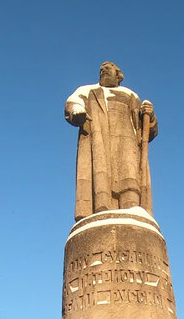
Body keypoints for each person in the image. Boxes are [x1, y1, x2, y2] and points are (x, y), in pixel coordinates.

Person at [64, 61, 158, 220]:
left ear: (118, 75)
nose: (103, 71)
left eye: (108, 69)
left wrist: (151, 117)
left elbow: (145, 132)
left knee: (129, 178)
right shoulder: (88, 91)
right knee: (100, 176)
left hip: (126, 143)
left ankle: (132, 210)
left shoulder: (130, 95)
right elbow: (73, 104)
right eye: (101, 70)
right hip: (99, 140)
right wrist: (76, 111)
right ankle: (101, 211)